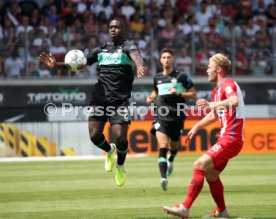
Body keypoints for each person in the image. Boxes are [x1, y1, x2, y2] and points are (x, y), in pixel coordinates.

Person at [39, 18, 144, 187]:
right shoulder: (100, 50)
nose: (113, 29)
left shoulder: (128, 47)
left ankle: (120, 166)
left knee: (122, 139)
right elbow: (79, 64)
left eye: (117, 27)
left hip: (119, 101)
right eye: (111, 27)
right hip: (100, 98)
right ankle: (109, 151)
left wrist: (139, 66)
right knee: (95, 136)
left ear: (124, 29)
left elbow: (136, 56)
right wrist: (56, 65)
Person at [163, 53, 245, 218]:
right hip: (226, 137)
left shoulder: (228, 83)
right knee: (211, 174)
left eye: (209, 67)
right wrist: (197, 126)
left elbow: (234, 101)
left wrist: (211, 104)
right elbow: (214, 115)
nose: (207, 70)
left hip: (231, 138)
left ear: (219, 69)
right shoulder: (216, 90)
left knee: (199, 165)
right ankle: (222, 211)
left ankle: (185, 208)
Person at [146, 48, 196, 191]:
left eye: (169, 57)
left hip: (177, 117)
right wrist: (151, 97)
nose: (166, 60)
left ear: (173, 59)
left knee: (174, 146)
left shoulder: (181, 77)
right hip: (160, 116)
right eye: (164, 57)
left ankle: (171, 160)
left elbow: (193, 94)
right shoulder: (157, 77)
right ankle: (163, 178)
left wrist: (179, 93)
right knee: (163, 146)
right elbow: (156, 91)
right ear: (160, 60)